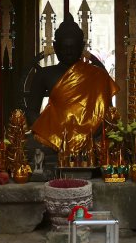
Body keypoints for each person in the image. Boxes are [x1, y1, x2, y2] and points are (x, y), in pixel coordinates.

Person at [27, 15, 119, 153]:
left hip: (92, 137)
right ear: (55, 47)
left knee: (113, 142)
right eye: (64, 47)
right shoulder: (44, 74)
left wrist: (89, 136)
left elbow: (108, 113)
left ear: (81, 47)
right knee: (29, 144)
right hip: (53, 137)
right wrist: (49, 134)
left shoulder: (98, 74)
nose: (69, 51)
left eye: (73, 47)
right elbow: (31, 111)